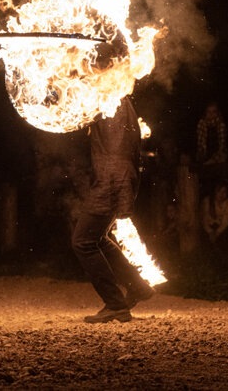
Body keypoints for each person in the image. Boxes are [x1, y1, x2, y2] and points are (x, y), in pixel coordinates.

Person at [72, 97, 155, 324]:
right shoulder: (117, 95)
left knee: (83, 242)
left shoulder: (108, 94)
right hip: (116, 176)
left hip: (112, 179)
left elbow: (74, 118)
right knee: (97, 239)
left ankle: (116, 304)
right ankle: (137, 287)